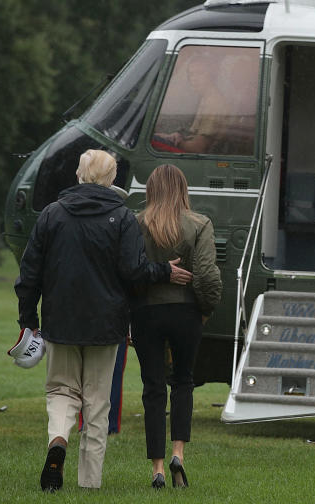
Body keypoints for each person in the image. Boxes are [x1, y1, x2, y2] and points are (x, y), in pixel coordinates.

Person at [15, 149, 193, 492]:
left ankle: (57, 440)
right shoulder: (123, 217)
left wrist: (28, 319)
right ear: (112, 179)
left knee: (61, 390)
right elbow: (134, 271)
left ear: (80, 174)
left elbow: (29, 274)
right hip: (106, 324)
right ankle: (89, 482)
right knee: (97, 402)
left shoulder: (51, 215)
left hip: (60, 322)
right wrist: (165, 271)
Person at [131, 164, 222, 489]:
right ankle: (178, 454)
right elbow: (207, 273)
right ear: (183, 189)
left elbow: (129, 271)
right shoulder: (199, 224)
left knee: (153, 388)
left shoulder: (136, 223)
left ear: (151, 189)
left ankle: (156, 467)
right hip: (186, 311)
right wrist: (206, 307)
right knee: (183, 382)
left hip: (146, 312)